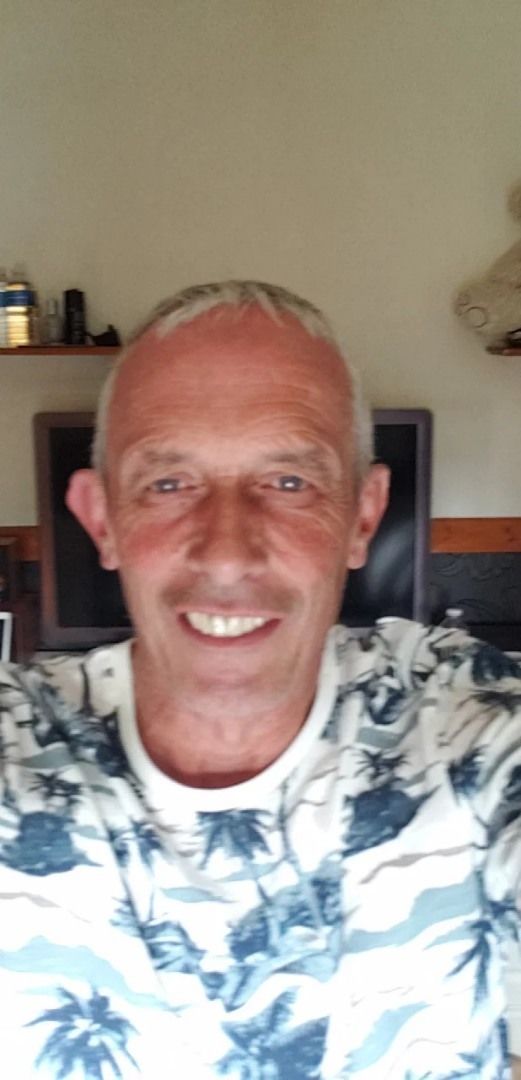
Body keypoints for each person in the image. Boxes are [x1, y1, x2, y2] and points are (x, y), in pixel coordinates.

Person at [0, 280, 520, 1079]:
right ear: (101, 520)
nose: (227, 552)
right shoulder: (19, 749)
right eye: (169, 484)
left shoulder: (472, 730)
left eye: (288, 483)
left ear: (362, 516)